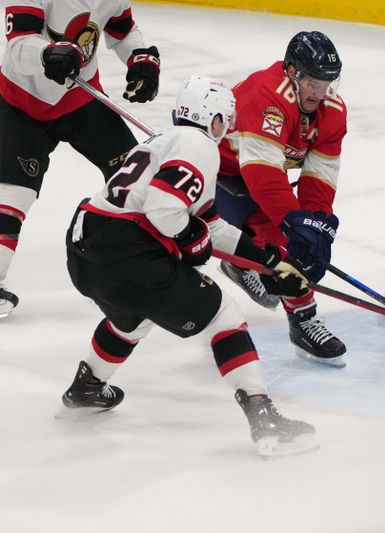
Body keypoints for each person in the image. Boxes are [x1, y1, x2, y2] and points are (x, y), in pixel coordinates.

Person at [59, 75, 317, 458]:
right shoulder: (199, 144)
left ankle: (87, 387)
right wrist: (188, 238)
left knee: (132, 316)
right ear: (212, 119)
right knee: (225, 317)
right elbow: (164, 207)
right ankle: (265, 419)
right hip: (125, 248)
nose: (226, 129)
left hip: (86, 247)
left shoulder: (164, 142)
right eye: (224, 121)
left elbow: (212, 226)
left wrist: (268, 262)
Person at [0, 0, 161, 318]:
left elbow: (122, 28)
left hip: (80, 97)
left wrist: (140, 58)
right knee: (14, 194)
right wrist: (46, 52)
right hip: (21, 102)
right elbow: (18, 46)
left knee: (135, 176)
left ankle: (138, 269)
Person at [214, 31, 347, 368]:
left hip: (254, 178)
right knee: (280, 243)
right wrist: (295, 224)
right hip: (217, 175)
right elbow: (263, 177)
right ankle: (247, 264)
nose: (320, 91)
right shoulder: (266, 96)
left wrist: (315, 225)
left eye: (327, 81)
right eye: (313, 81)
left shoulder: (332, 111)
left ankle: (297, 316)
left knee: (297, 241)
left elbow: (320, 175)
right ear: (292, 72)